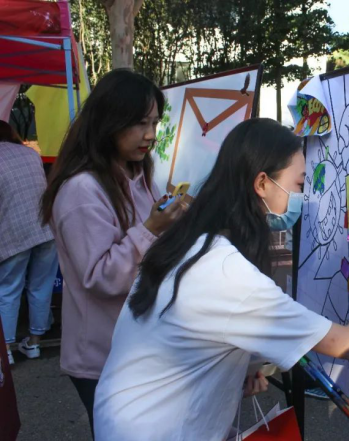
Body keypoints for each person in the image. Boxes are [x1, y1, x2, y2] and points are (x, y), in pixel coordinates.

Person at [93, 118, 349, 440]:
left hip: (123, 420)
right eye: (299, 185)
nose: (303, 197)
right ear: (262, 183)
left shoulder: (189, 241)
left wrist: (236, 366)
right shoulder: (226, 272)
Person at [40, 70, 186, 433]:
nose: (150, 134)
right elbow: (102, 276)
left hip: (139, 347)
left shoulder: (137, 174)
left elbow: (154, 248)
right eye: (139, 123)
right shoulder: (81, 190)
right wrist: (152, 228)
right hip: (104, 356)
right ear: (109, 120)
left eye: (154, 122)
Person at [0, 121, 59, 366]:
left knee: (8, 290)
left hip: (14, 233)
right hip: (46, 229)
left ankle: (6, 349)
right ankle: (34, 343)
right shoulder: (30, 154)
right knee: (41, 286)